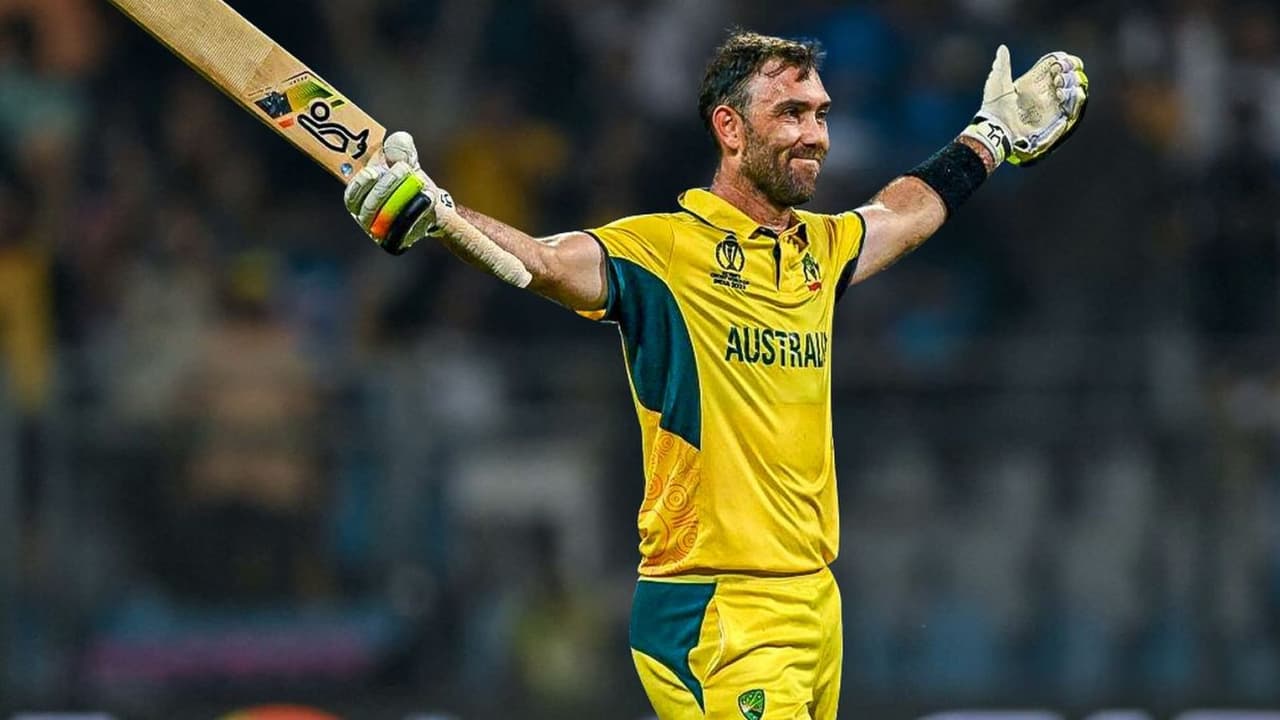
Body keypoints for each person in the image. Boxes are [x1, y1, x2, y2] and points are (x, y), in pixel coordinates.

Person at [343, 30, 1088, 720]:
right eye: (790, 113)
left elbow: (905, 212)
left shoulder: (819, 250)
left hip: (814, 601)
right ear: (730, 128)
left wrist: (988, 139)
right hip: (715, 608)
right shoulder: (664, 251)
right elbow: (542, 261)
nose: (815, 134)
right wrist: (444, 216)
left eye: (820, 113)